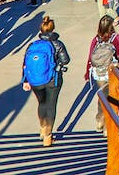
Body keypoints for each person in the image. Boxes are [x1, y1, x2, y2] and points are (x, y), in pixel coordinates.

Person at [22, 16, 70, 147]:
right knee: (51, 105)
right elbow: (66, 60)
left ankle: (42, 128)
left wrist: (25, 80)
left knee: (42, 103)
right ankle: (48, 136)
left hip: (35, 80)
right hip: (52, 79)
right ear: (53, 29)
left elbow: (25, 64)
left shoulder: (32, 45)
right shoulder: (57, 44)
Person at [85, 16, 119, 135]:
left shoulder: (96, 39)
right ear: (112, 26)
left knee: (102, 97)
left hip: (98, 73)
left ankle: (100, 120)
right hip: (112, 72)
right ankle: (107, 127)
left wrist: (87, 72)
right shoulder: (117, 38)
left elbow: (90, 57)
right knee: (112, 99)